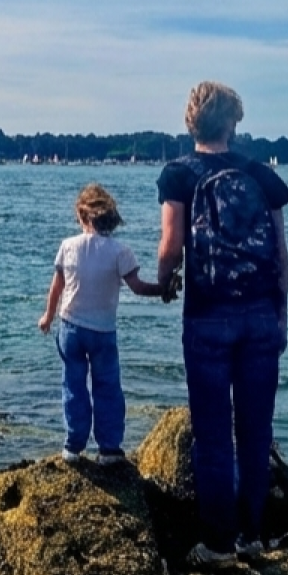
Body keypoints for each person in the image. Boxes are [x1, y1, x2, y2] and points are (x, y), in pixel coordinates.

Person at [154, 81, 288, 565]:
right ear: (233, 123)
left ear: (190, 121)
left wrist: (164, 280)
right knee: (255, 431)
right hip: (259, 315)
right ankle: (252, 538)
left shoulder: (179, 174)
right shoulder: (259, 174)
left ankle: (216, 544)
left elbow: (171, 247)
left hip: (208, 317)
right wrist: (280, 315)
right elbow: (279, 252)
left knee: (212, 433)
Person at [38, 183, 165, 464]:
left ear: (82, 217)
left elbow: (56, 287)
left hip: (70, 326)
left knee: (73, 385)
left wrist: (47, 317)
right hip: (103, 331)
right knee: (107, 387)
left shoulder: (68, 246)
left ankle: (73, 446)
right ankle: (109, 448)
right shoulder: (120, 251)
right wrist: (163, 289)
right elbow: (138, 287)